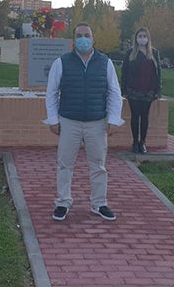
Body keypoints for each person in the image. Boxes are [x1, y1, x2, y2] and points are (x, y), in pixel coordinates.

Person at [45, 23, 123, 221]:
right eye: (79, 35)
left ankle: (99, 203)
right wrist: (53, 119)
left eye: (86, 35)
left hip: (97, 122)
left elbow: (114, 92)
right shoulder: (61, 62)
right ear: (73, 40)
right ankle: (63, 202)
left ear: (93, 38)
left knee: (98, 165)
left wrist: (114, 119)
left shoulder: (105, 62)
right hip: (69, 120)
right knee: (65, 164)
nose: (83, 39)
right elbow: (52, 93)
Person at [120, 27, 162, 154]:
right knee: (135, 117)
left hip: (148, 90)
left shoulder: (154, 53)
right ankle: (134, 142)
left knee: (145, 117)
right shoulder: (130, 53)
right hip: (133, 90)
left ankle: (142, 142)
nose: (142, 38)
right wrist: (124, 89)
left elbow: (158, 72)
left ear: (148, 38)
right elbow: (124, 72)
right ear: (136, 38)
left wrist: (158, 90)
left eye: (144, 36)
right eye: (140, 36)